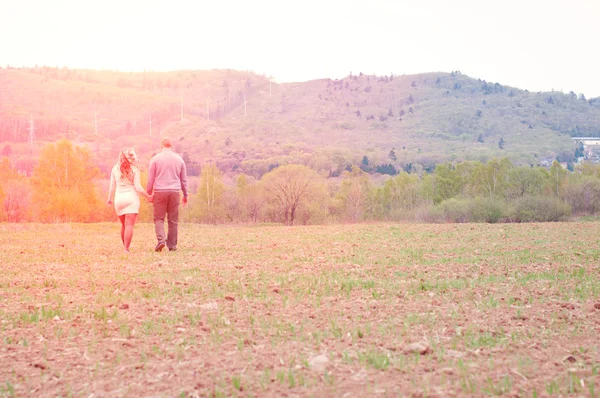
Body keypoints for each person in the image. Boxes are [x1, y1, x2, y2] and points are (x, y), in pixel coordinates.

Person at [106, 148, 153, 252]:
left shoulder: (115, 169)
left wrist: (109, 199)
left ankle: (125, 248)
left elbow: (112, 186)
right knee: (129, 225)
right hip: (131, 198)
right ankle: (126, 249)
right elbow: (138, 188)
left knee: (123, 225)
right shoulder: (134, 169)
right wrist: (148, 196)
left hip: (119, 199)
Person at [146, 137, 188, 252]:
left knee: (159, 218)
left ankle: (161, 240)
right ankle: (172, 246)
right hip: (174, 192)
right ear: (172, 146)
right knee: (173, 220)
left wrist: (148, 193)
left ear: (161, 146)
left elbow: (150, 179)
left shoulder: (155, 159)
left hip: (160, 192)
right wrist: (185, 195)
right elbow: (183, 180)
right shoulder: (179, 160)